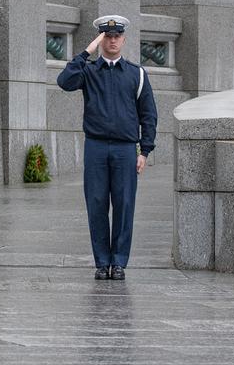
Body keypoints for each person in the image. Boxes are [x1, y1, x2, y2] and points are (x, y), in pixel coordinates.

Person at [56, 15, 157, 281]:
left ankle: (119, 262)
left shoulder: (137, 74)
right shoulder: (88, 71)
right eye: (107, 37)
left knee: (124, 205)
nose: (112, 41)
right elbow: (64, 81)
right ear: (101, 40)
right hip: (97, 148)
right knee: (97, 204)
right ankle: (102, 262)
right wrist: (87, 51)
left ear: (123, 39)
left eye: (116, 36)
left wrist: (144, 151)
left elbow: (148, 115)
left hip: (125, 150)